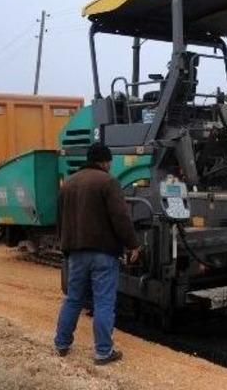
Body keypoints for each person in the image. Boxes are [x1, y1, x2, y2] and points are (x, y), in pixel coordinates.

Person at [54, 143, 140, 364]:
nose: (110, 165)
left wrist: (65, 248)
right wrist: (133, 245)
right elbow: (121, 218)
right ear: (104, 161)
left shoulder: (69, 184)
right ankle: (103, 352)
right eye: (109, 161)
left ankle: (61, 344)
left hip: (75, 253)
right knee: (103, 301)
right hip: (102, 252)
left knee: (73, 299)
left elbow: (60, 219)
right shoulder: (108, 182)